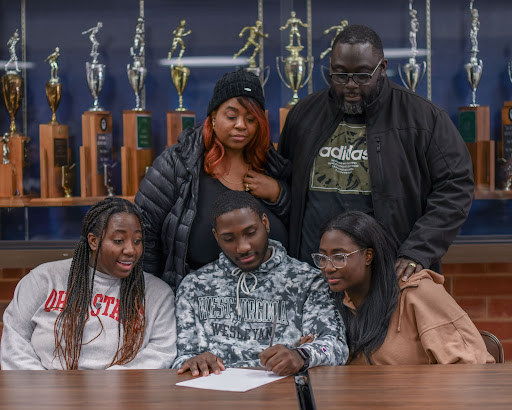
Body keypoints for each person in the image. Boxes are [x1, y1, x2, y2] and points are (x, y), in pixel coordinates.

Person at [278, 24, 474, 280]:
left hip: (388, 278)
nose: (350, 85)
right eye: (339, 75)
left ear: (381, 68)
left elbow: (455, 187)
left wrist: (417, 251)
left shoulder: (423, 118)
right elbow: (285, 182)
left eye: (361, 75)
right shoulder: (304, 115)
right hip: (313, 274)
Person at [135, 69, 291, 291]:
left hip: (267, 305)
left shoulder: (272, 166)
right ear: (213, 117)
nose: (241, 125)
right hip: (196, 305)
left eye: (250, 119)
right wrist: (152, 295)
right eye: (231, 116)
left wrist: (279, 195)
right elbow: (144, 229)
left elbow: (295, 228)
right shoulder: (179, 163)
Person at [172, 191, 348, 377]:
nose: (243, 247)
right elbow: (180, 359)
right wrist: (192, 361)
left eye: (250, 233)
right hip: (212, 396)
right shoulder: (193, 286)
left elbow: (336, 348)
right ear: (216, 237)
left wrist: (301, 355)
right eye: (229, 239)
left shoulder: (307, 282)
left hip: (282, 395)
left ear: (265, 223)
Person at [1, 197, 177, 370]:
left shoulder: (157, 294)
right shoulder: (43, 279)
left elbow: (161, 351)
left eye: (137, 241)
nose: (131, 250)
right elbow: (15, 342)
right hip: (44, 393)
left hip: (123, 396)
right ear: (94, 241)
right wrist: (46, 391)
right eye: (119, 240)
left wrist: (109, 389)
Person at [314, 211, 494, 365]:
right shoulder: (329, 303)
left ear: (368, 256)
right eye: (322, 258)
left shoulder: (417, 292)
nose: (328, 267)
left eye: (339, 257)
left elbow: (473, 367)